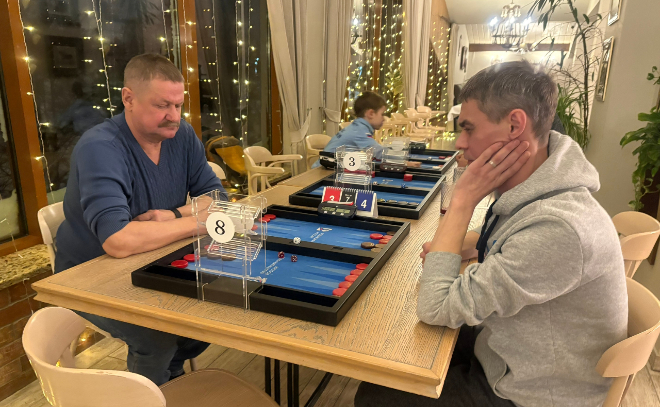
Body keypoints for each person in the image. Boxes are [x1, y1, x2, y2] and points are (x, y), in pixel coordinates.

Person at [355, 61, 627, 407]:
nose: (460, 142)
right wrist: (466, 244)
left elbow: (435, 307)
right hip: (514, 350)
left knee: (375, 395)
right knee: (395, 351)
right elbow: (505, 239)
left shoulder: (558, 227)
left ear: (514, 125)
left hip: (532, 394)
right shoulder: (544, 190)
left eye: (468, 129)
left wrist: (462, 201)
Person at [55, 53, 226, 386]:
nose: (173, 116)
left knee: (210, 317)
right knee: (156, 337)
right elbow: (118, 240)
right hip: (87, 274)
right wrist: (200, 221)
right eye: (162, 106)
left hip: (154, 260)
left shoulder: (182, 135)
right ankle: (151, 391)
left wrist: (172, 214)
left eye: (178, 105)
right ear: (128, 98)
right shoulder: (101, 147)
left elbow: (218, 198)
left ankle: (169, 380)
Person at [312, 91, 419, 168]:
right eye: (382, 114)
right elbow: (378, 152)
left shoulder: (358, 127)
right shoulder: (359, 131)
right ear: (371, 114)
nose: (383, 118)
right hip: (320, 172)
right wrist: (403, 162)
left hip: (328, 167)